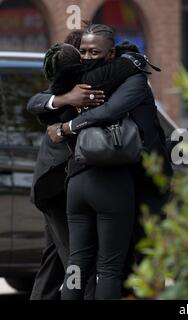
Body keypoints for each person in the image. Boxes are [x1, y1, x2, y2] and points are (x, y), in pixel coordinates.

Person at [46, 24, 172, 300]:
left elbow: (44, 106)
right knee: (109, 268)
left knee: (76, 264)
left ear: (111, 53)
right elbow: (111, 111)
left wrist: (67, 126)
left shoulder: (79, 84)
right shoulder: (121, 80)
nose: (88, 56)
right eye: (84, 51)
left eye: (94, 51)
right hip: (114, 182)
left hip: (78, 179)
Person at [27, 30, 102, 300]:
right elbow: (35, 102)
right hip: (55, 188)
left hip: (68, 185)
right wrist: (66, 99)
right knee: (76, 259)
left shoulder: (95, 82)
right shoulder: (68, 87)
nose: (89, 56)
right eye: (84, 51)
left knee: (55, 261)